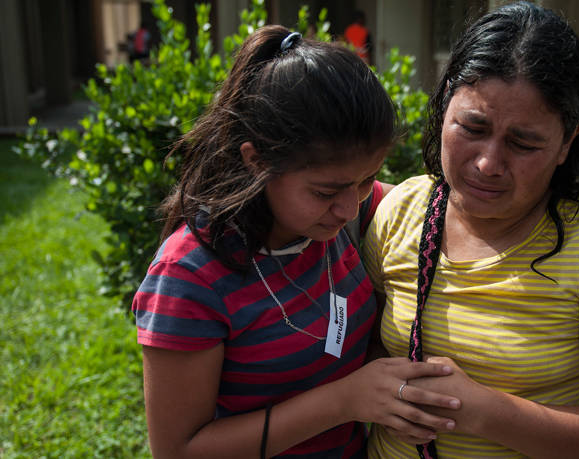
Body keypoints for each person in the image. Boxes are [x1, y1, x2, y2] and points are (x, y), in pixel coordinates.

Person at [131, 25, 463, 458]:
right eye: (326, 192)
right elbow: (178, 451)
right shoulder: (189, 278)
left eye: (365, 181)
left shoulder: (350, 214)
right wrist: (345, 400)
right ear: (256, 160)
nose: (348, 207)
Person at [362, 2, 579, 458]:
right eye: (473, 127)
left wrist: (478, 410)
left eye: (523, 143)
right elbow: (364, 350)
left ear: (569, 140)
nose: (488, 163)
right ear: (446, 101)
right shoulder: (402, 211)